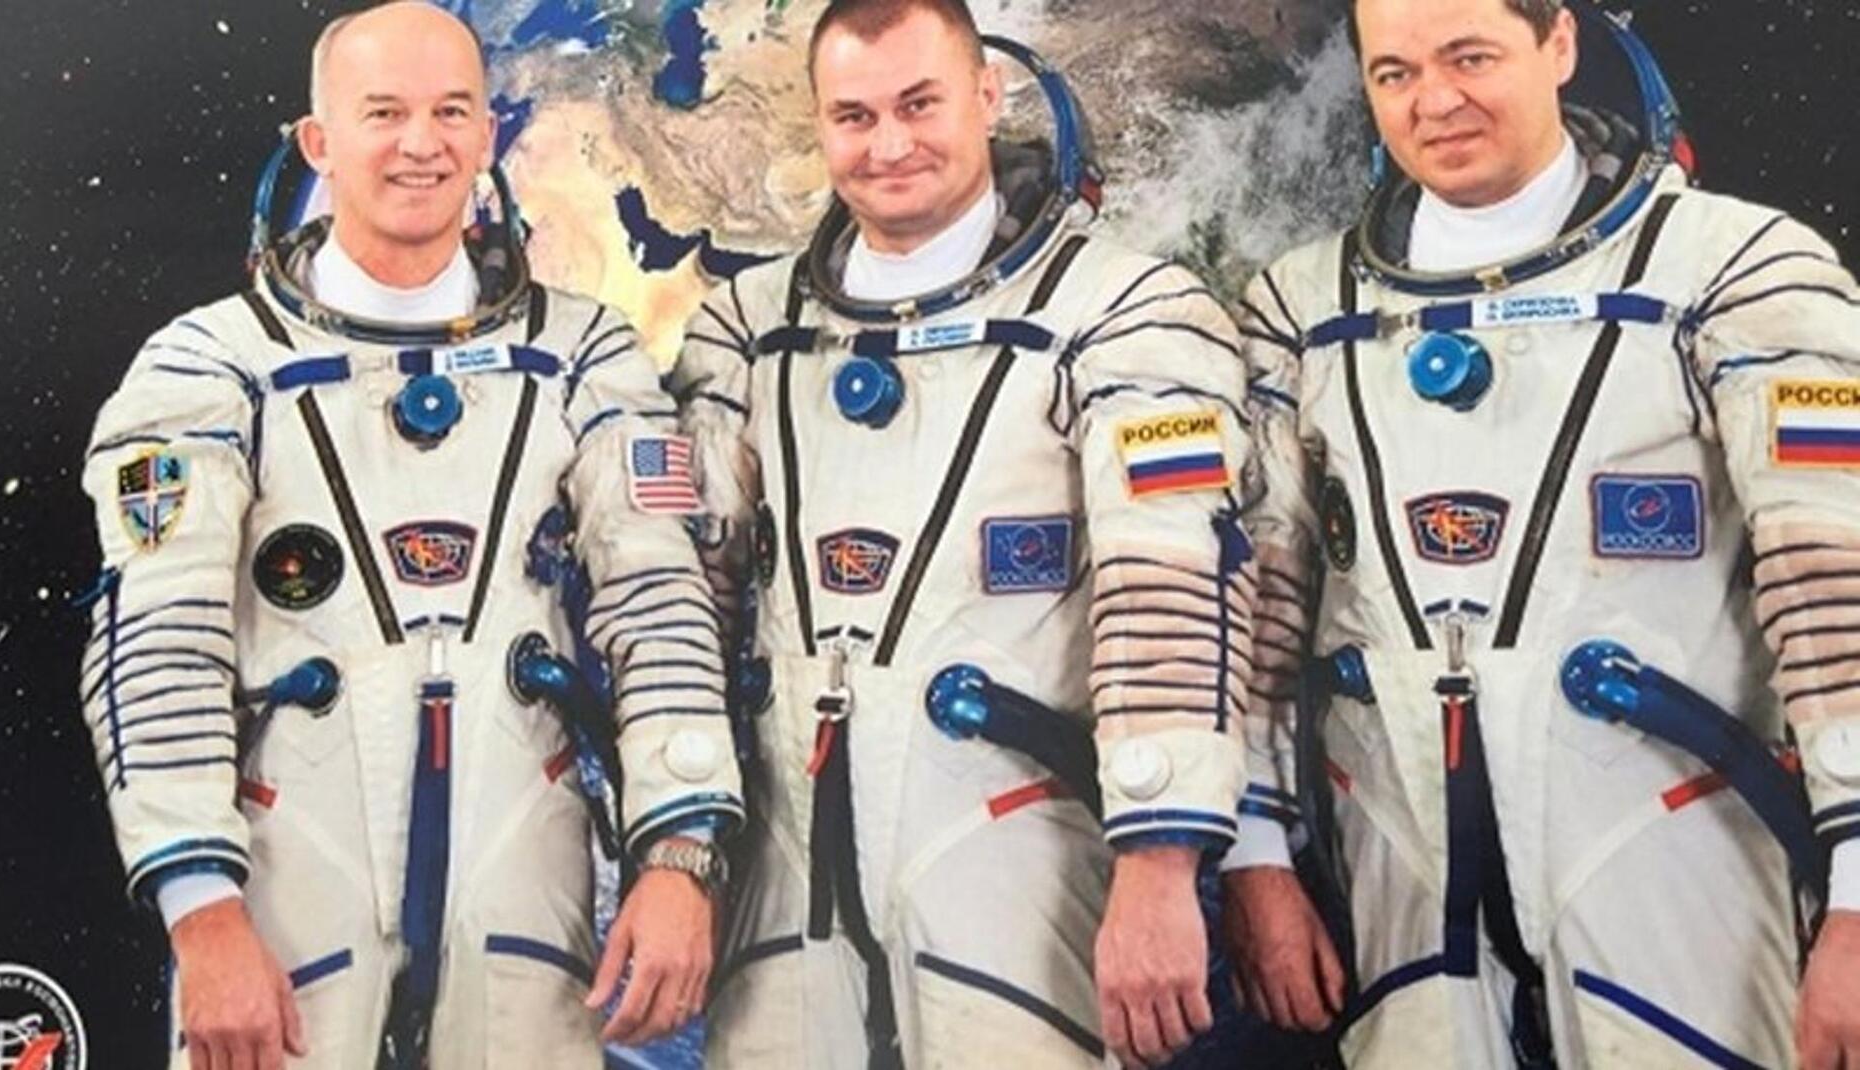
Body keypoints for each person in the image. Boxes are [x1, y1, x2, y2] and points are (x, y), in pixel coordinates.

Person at [77, 5, 742, 1067]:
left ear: (488, 134)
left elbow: (659, 601)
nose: (420, 144)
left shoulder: (581, 356)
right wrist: (200, 908)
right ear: (319, 140)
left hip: (524, 875)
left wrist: (679, 850)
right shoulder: (210, 367)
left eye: (451, 112)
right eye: (383, 113)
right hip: (288, 885)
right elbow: (158, 642)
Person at [1224, 0, 1860, 1066]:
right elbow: (1255, 612)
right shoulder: (1299, 311)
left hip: (1681, 869)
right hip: (1403, 881)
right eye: (1395, 73)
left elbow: (1836, 587)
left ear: (1560, 43)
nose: (1435, 100)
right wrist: (1253, 850)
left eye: (1470, 56)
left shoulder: (1733, 270)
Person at [669, 1, 1259, 1067]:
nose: (889, 144)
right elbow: (681, 598)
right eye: (854, 116)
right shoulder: (746, 329)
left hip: (1019, 851)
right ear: (819, 122)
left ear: (987, 94)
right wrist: (681, 848)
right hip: (785, 866)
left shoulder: (1127, 313)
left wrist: (1160, 859)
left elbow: (1172, 580)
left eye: (919, 104)